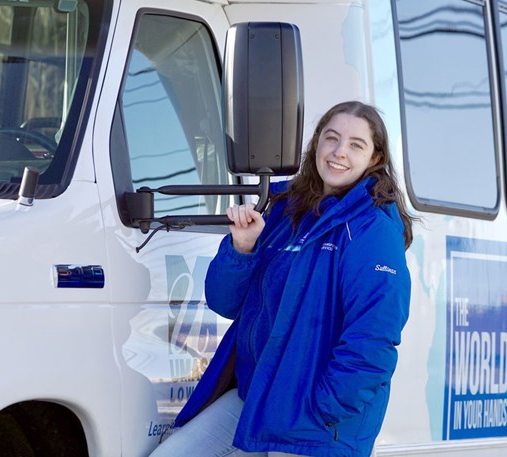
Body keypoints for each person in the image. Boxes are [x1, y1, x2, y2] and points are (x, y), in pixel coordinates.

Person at [150, 101, 413, 457]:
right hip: (256, 399)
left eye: (356, 145)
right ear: (316, 144)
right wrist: (241, 248)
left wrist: (324, 410)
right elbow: (224, 302)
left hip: (313, 422)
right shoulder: (284, 209)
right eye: (331, 139)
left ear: (375, 158)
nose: (339, 152)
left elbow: (373, 341)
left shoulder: (372, 230)